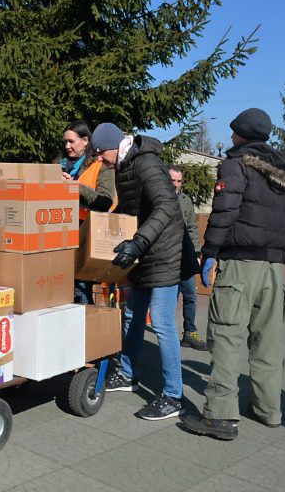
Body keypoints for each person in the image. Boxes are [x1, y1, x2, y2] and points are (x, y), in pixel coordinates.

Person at [181, 108, 285, 440]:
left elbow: (226, 210)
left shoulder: (235, 164)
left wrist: (210, 253)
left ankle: (220, 415)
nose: (230, 137)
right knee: (268, 342)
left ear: (241, 134)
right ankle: (268, 410)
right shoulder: (283, 168)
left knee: (226, 338)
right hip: (276, 268)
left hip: (240, 266)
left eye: (234, 132)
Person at [93, 123, 186, 421]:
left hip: (165, 252)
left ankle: (173, 395)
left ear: (113, 146)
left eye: (99, 153)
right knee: (133, 313)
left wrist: (140, 241)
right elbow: (132, 209)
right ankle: (128, 374)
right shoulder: (124, 165)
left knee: (161, 321)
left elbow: (167, 206)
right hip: (145, 251)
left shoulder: (146, 162)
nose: (98, 160)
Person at [56, 120, 116, 304]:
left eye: (71, 142)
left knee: (81, 289)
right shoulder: (59, 164)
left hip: (85, 234)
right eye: (65, 142)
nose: (67, 146)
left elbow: (105, 202)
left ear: (85, 141)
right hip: (61, 235)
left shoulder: (101, 165)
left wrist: (75, 187)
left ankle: (85, 328)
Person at [168, 165, 206, 351]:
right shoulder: (160, 198)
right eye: (173, 180)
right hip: (168, 258)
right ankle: (168, 335)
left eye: (179, 181)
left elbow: (192, 228)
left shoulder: (185, 200)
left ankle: (189, 333)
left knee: (190, 295)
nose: (176, 184)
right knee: (170, 299)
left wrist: (197, 253)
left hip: (186, 257)